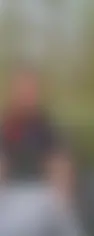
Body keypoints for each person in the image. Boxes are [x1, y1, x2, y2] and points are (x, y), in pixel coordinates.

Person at [0, 64, 74, 206]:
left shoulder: (46, 126)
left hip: (42, 196)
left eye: (30, 88)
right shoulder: (6, 124)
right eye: (21, 88)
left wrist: (61, 198)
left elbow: (60, 163)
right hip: (8, 196)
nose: (26, 94)